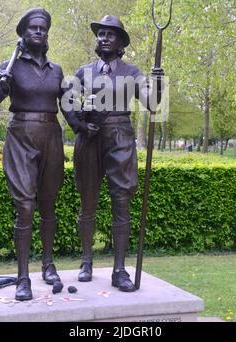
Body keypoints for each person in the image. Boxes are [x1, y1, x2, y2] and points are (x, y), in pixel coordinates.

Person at [63, 15, 164, 292]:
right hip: (90, 138)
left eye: (110, 34)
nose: (104, 38)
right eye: (101, 34)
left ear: (121, 43)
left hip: (120, 137)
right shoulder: (83, 71)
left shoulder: (132, 73)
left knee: (121, 202)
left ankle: (119, 270)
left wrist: (158, 80)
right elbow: (67, 103)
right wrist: (79, 125)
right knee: (87, 203)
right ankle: (86, 261)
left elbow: (155, 105)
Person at [0, 8, 65, 301]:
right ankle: (22, 277)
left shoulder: (56, 70)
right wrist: (2, 88)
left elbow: (67, 105)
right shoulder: (10, 67)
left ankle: (48, 264)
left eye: (43, 28)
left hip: (51, 138)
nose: (39, 32)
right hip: (21, 138)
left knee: (47, 204)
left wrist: (84, 125)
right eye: (33, 27)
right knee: (25, 207)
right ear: (23, 32)